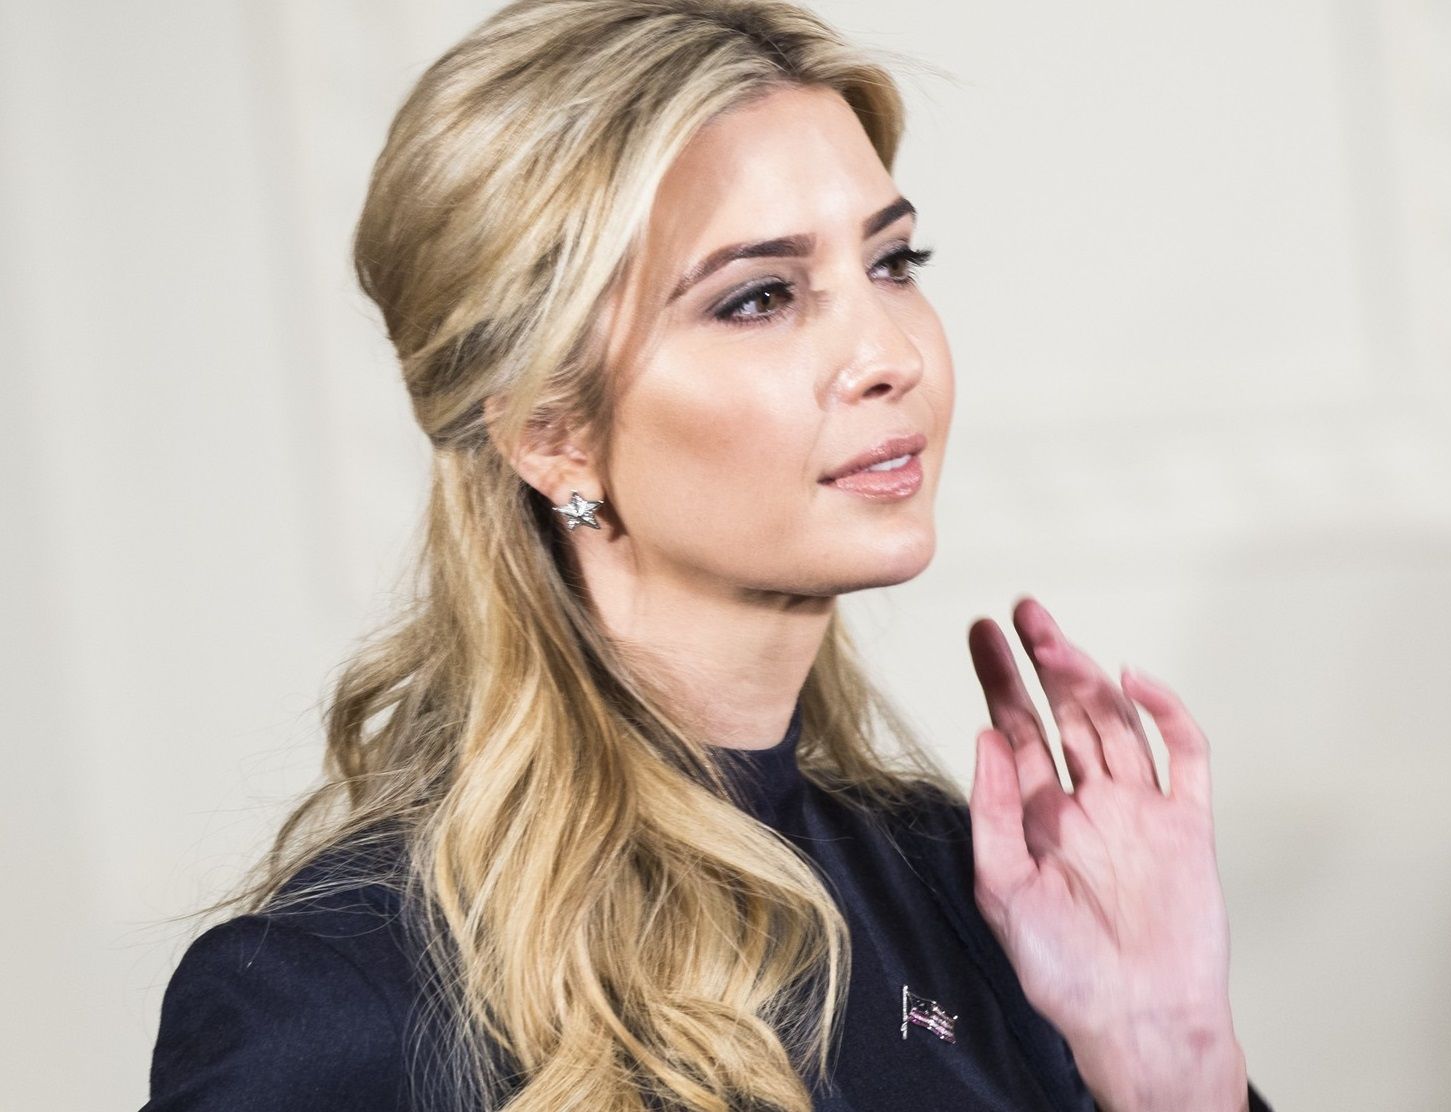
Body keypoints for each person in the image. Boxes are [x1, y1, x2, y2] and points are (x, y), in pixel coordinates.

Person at [141, 1, 1273, 1109]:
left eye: (892, 260)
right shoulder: (341, 999)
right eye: (760, 297)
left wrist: (1169, 1059)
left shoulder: (972, 886)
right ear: (551, 433)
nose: (888, 353)